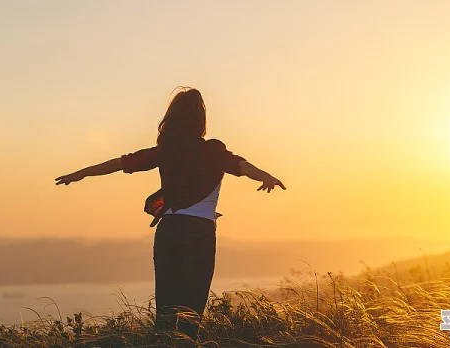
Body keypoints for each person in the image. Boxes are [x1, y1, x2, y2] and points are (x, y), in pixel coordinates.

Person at [55, 87, 286, 334]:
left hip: (168, 232)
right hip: (199, 234)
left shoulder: (165, 151)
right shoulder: (212, 151)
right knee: (191, 315)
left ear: (172, 118)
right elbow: (241, 166)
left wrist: (79, 174)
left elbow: (119, 163)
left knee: (166, 315)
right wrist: (266, 176)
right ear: (201, 119)